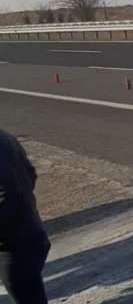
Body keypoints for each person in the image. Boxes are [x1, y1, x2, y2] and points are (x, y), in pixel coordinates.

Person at [0, 129, 51, 303]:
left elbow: (7, 192)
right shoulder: (4, 136)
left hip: (15, 246)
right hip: (30, 234)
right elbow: (30, 173)